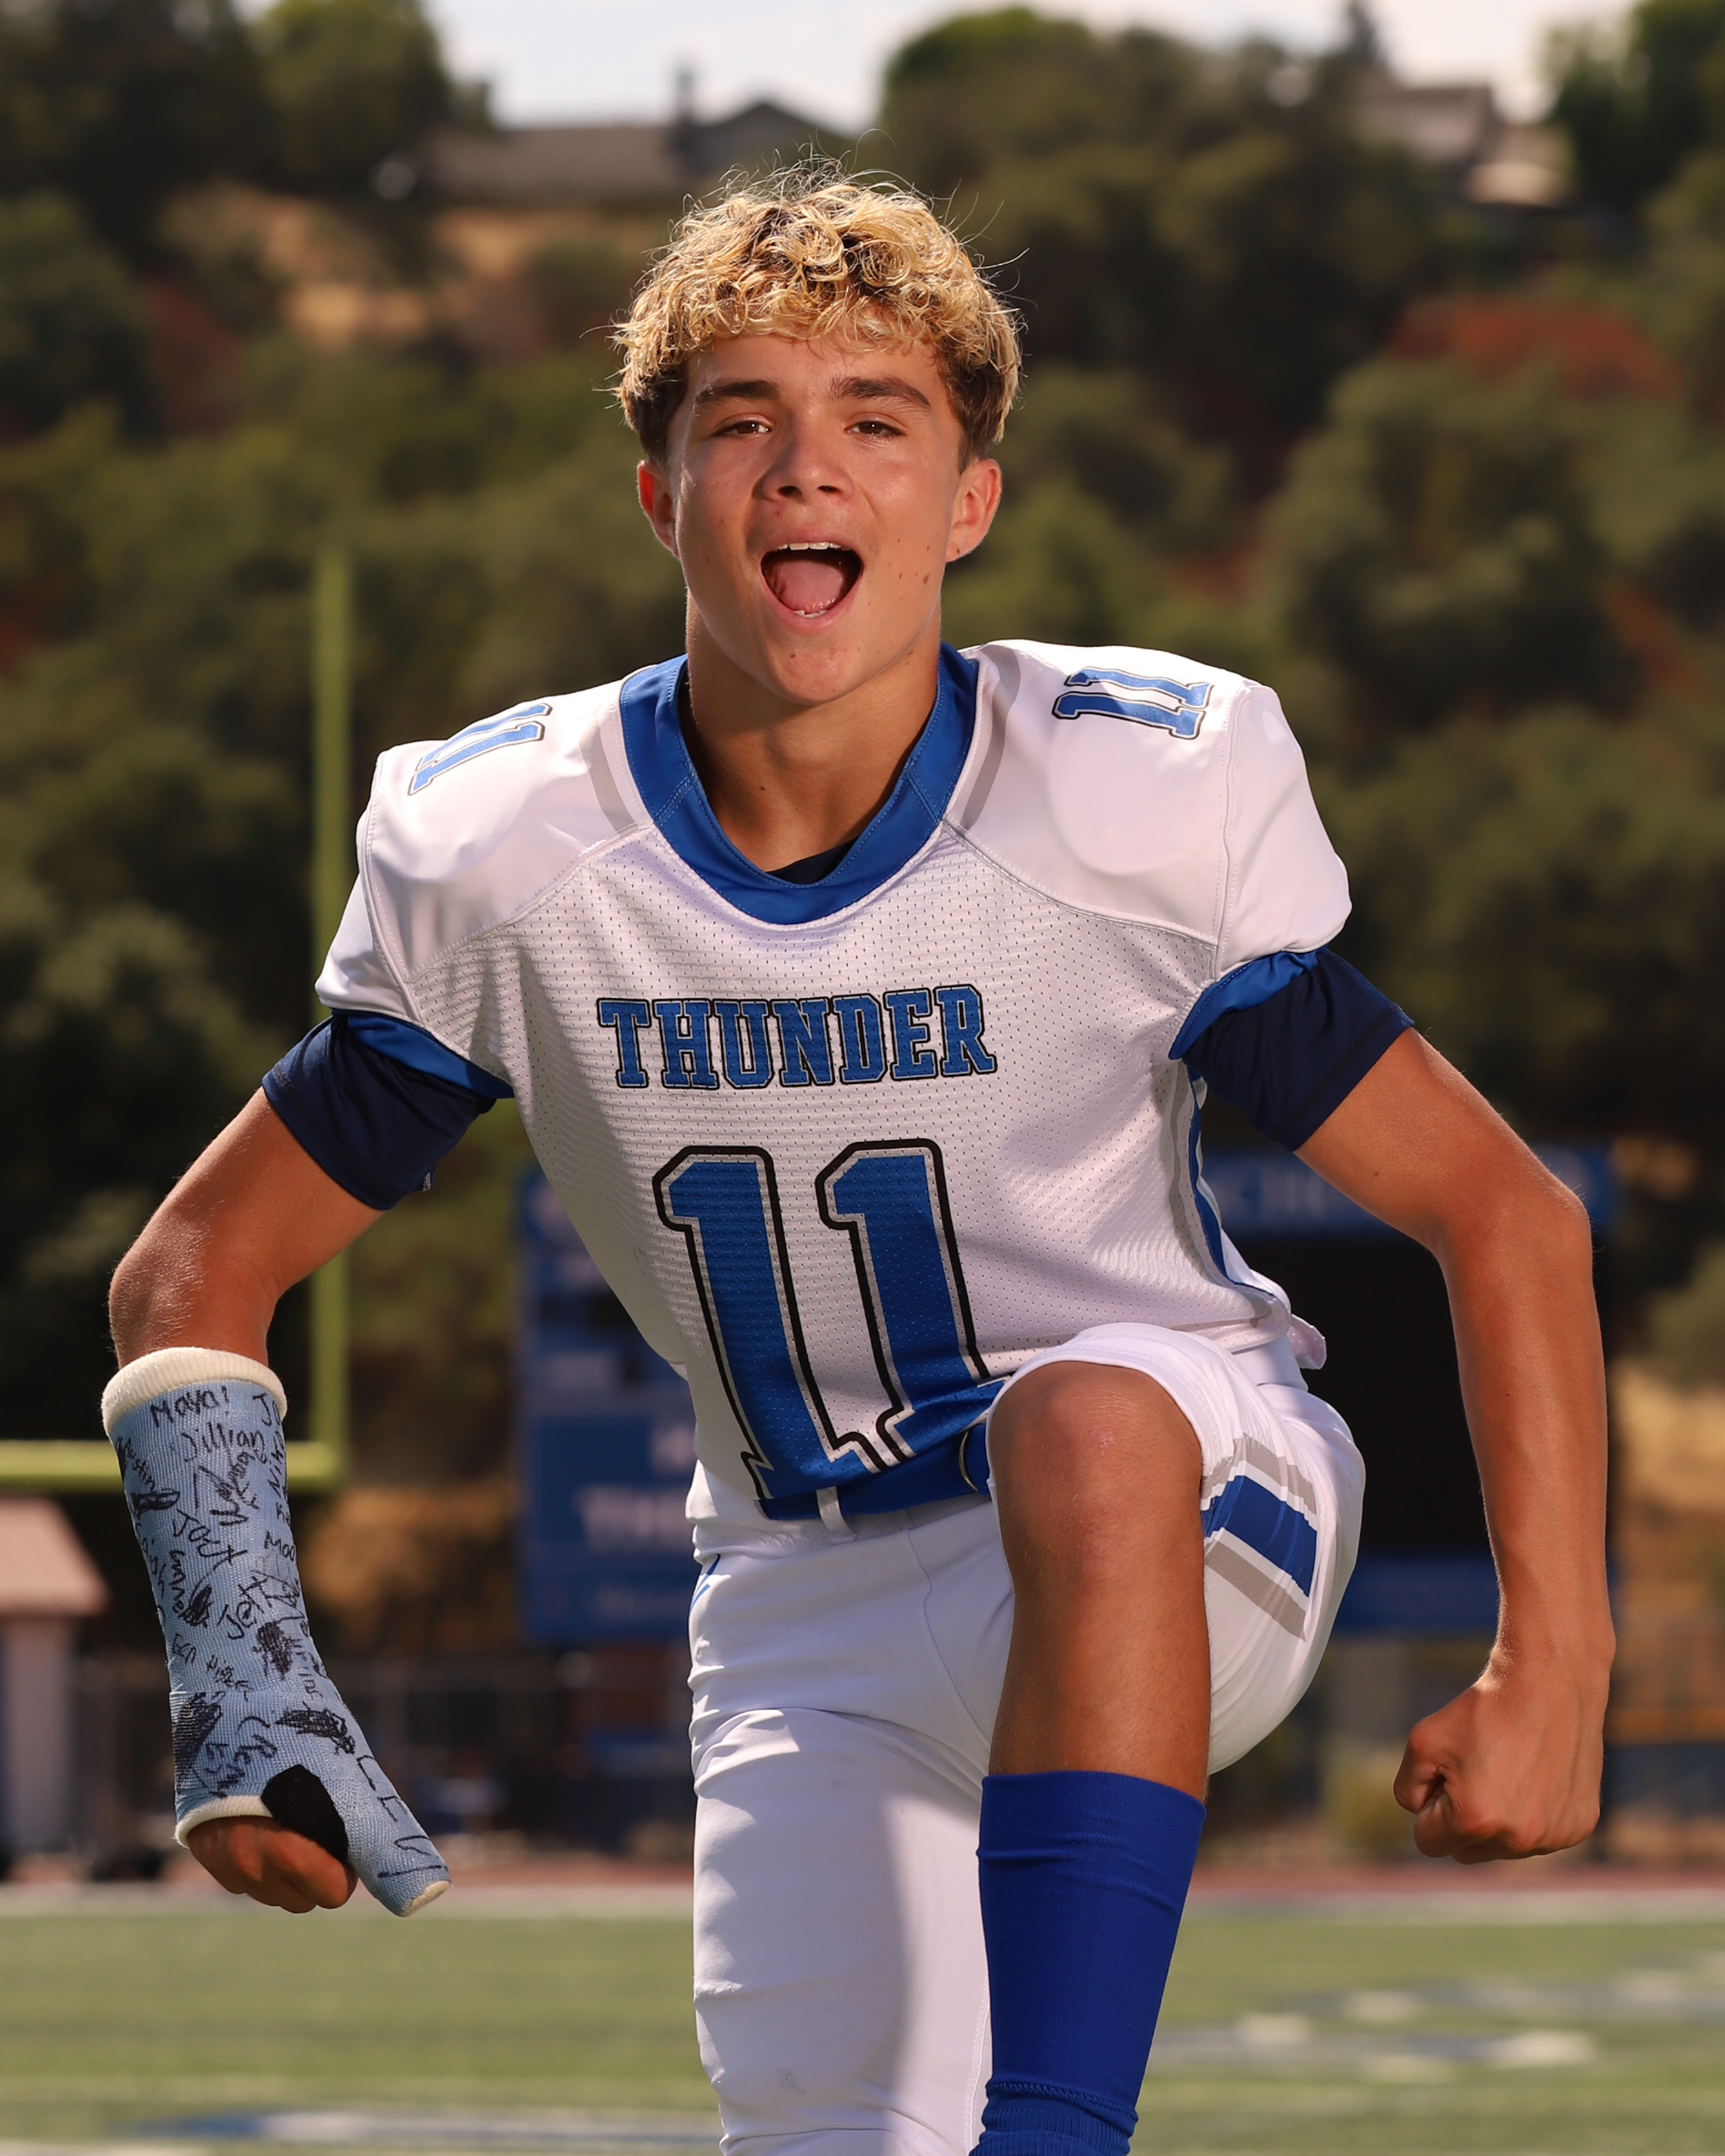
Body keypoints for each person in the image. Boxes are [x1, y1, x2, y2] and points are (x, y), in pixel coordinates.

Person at [105, 169, 1612, 2156]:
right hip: (802, 1590)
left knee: (1084, 1425)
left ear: (969, 501)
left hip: (1189, 1506)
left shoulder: (1116, 799)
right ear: (661, 496)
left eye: (876, 421)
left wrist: (1555, 1661)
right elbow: (192, 1272)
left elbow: (1501, 1211)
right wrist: (244, 1684)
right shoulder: (516, 857)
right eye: (742, 420)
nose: (807, 467)